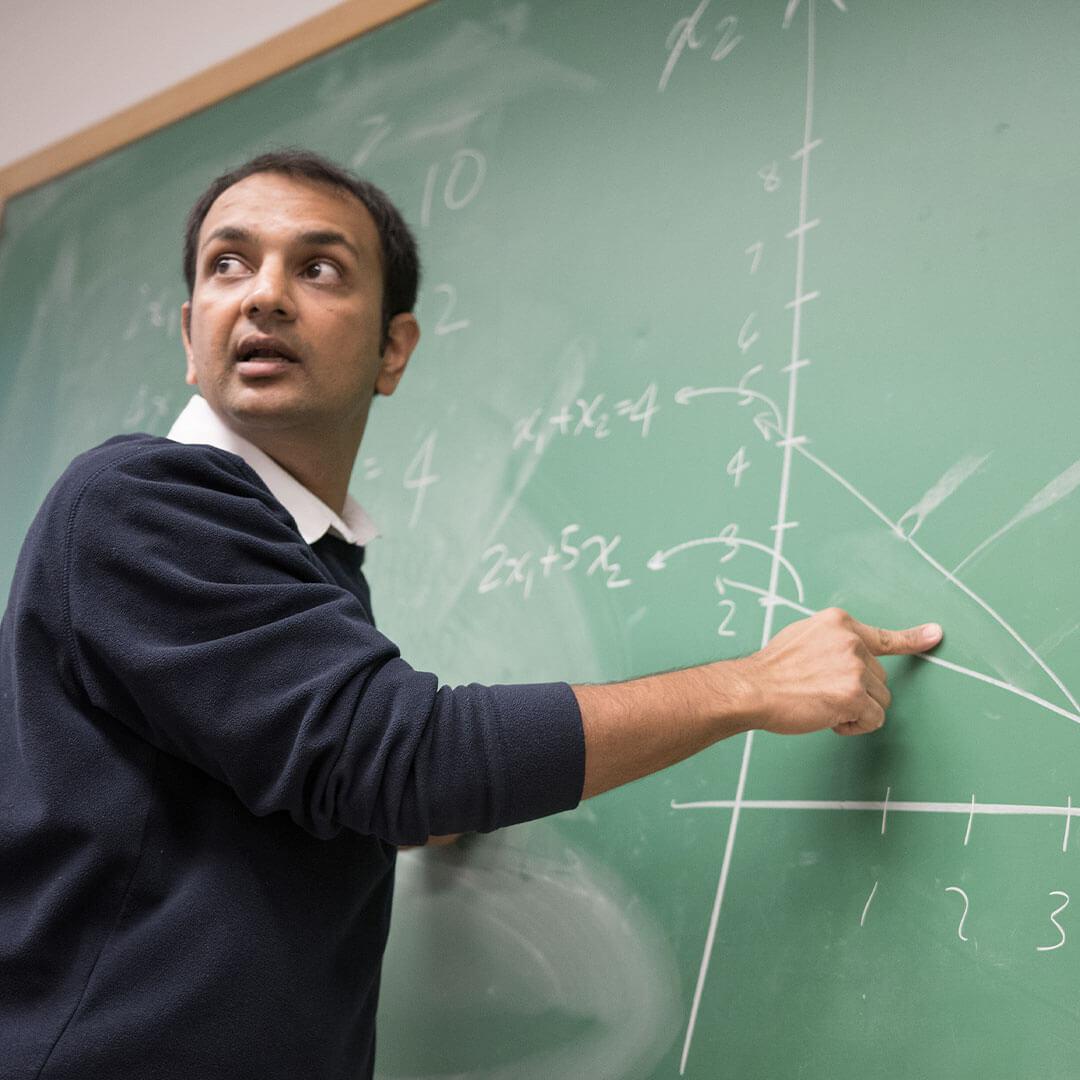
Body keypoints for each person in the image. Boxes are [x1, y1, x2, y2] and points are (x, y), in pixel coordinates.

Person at [0, 149, 942, 1079]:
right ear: (189, 331)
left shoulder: (308, 555)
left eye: (318, 267)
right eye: (228, 264)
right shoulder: (140, 499)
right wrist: (754, 684)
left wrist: (403, 807)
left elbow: (314, 772)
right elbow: (398, 758)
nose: (265, 295)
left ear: (392, 350)